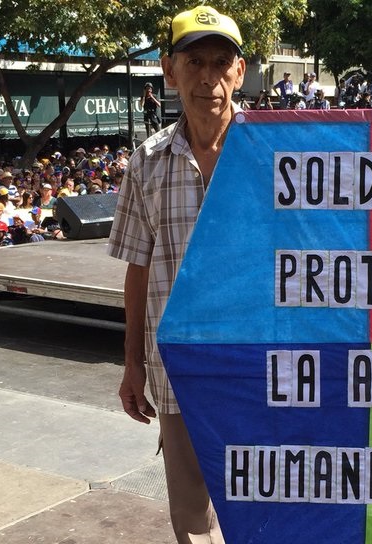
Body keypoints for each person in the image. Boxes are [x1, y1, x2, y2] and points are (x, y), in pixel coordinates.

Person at [107, 5, 246, 543]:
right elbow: (137, 270)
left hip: (264, 364)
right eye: (194, 62)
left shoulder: (275, 152)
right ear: (170, 70)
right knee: (190, 515)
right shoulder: (146, 161)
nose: (207, 78)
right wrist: (132, 365)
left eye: (220, 63)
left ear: (239, 71)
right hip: (178, 364)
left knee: (267, 498)